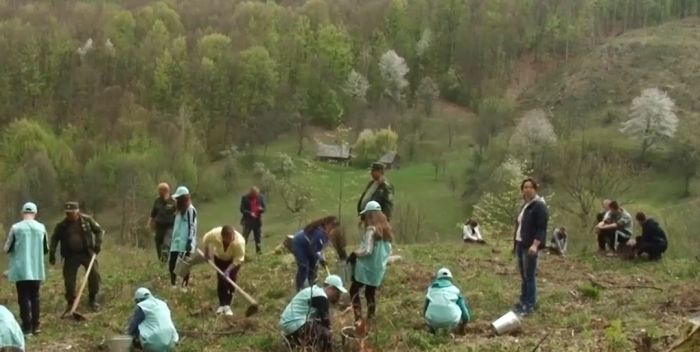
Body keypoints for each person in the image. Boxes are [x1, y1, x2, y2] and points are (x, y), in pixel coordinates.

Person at [49, 202, 104, 311]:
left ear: (77, 211)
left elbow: (99, 231)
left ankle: (93, 299)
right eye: (68, 213)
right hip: (70, 255)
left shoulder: (87, 221)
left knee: (94, 276)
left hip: (86, 253)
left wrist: (98, 244)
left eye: (72, 213)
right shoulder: (62, 225)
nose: (70, 216)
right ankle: (71, 303)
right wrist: (52, 253)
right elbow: (54, 238)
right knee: (69, 281)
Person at [4, 203, 48, 336]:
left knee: (23, 297)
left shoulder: (16, 228)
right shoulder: (41, 228)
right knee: (35, 297)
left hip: (21, 269)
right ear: (35, 213)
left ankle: (27, 327)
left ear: (22, 213)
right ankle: (36, 325)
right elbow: (45, 249)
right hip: (36, 269)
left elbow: (7, 248)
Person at [347, 201, 393, 324]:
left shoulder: (371, 230)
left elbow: (367, 250)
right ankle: (371, 318)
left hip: (366, 268)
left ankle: (358, 318)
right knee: (370, 293)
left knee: (353, 291)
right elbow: (387, 252)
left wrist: (354, 254)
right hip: (378, 269)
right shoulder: (387, 231)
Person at [279, 275, 347, 352]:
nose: (336, 295)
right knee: (325, 333)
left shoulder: (314, 290)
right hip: (294, 323)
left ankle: (294, 344)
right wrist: (330, 340)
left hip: (286, 323)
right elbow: (325, 321)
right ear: (331, 288)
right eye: (337, 292)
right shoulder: (321, 297)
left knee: (316, 328)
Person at [512, 178, 548, 317]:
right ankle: (523, 300)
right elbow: (520, 226)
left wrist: (535, 245)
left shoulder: (539, 206)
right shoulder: (525, 205)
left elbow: (541, 228)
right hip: (521, 244)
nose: (527, 189)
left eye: (530, 187)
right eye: (525, 187)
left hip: (530, 246)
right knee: (523, 275)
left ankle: (530, 304)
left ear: (535, 189)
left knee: (530, 275)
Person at [201, 225, 245, 316]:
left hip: (233, 261)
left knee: (231, 280)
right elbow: (206, 239)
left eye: (232, 236)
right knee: (221, 280)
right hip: (219, 258)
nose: (231, 239)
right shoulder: (215, 234)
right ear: (223, 237)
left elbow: (238, 258)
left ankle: (228, 306)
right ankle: (222, 305)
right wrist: (206, 253)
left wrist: (228, 270)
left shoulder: (240, 242)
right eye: (228, 238)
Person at [291, 216, 339, 292]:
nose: (333, 228)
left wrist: (321, 258)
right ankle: (300, 288)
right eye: (332, 225)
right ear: (327, 224)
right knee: (304, 266)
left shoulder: (326, 234)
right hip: (300, 244)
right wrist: (320, 259)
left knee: (313, 267)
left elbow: (319, 249)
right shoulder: (319, 233)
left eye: (335, 226)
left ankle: (312, 287)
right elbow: (314, 249)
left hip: (310, 247)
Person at [126, 288, 179, 352]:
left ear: (138, 300)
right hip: (170, 340)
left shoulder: (143, 306)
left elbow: (134, 324)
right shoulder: (162, 304)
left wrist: (128, 334)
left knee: (137, 330)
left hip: (153, 342)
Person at [423, 268, 471, 334]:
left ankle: (433, 331)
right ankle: (451, 331)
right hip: (451, 321)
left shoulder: (431, 289)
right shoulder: (455, 290)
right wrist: (462, 326)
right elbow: (465, 314)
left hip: (432, 321)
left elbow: (425, 309)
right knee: (457, 307)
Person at [169, 186, 197, 289]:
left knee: (184, 265)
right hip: (175, 241)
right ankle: (173, 283)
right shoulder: (178, 210)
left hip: (185, 242)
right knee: (172, 262)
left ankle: (184, 285)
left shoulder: (190, 210)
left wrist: (189, 241)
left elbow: (192, 226)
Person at [147, 183, 176, 262]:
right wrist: (149, 223)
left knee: (166, 244)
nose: (160, 192)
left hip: (169, 226)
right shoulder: (157, 200)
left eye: (162, 190)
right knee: (158, 244)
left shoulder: (173, 200)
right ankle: (161, 261)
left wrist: (167, 201)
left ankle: (167, 260)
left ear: (167, 190)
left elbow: (178, 211)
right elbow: (153, 213)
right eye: (159, 191)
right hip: (159, 226)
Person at [239, 187, 266, 255]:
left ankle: (259, 253)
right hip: (248, 221)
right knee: (244, 238)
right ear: (251, 193)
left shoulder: (260, 197)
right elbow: (242, 209)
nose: (256, 195)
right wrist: (250, 213)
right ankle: (241, 253)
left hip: (257, 221)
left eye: (257, 194)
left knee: (258, 238)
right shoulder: (245, 198)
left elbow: (264, 208)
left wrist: (261, 209)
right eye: (255, 194)